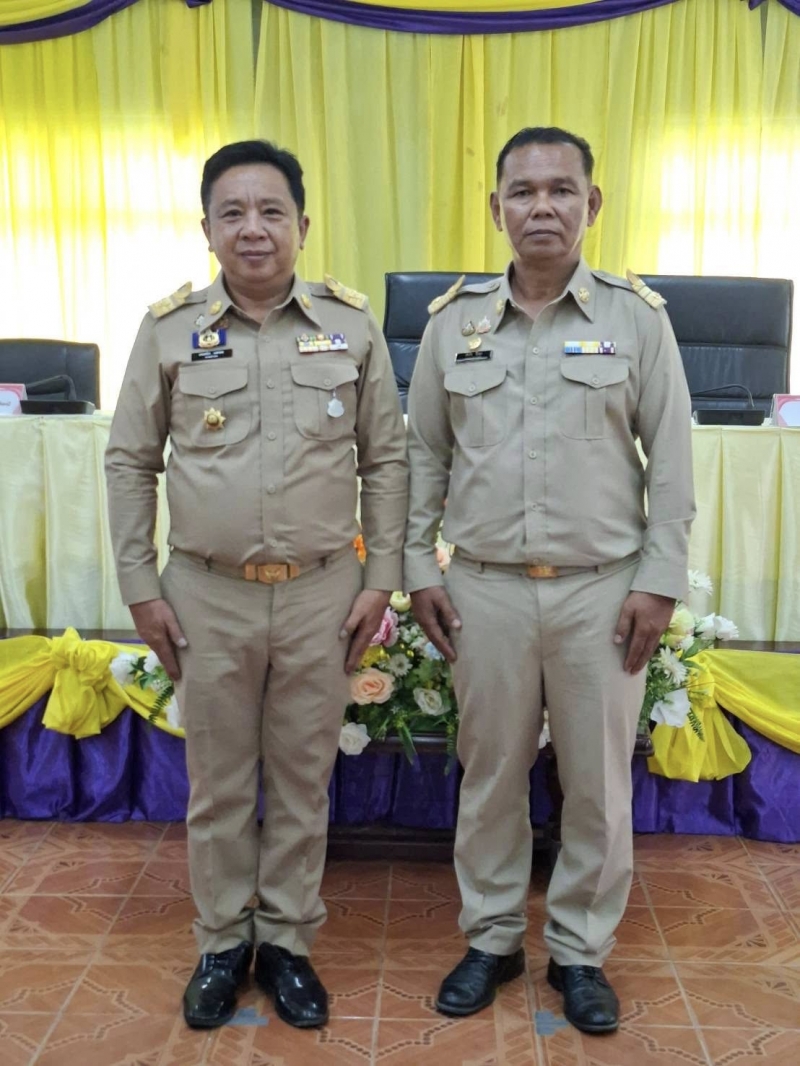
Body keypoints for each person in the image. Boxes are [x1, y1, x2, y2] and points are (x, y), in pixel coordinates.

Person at [105, 140, 408, 1030]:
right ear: (206, 228)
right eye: (231, 212)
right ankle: (220, 943)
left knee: (305, 778)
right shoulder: (169, 330)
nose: (252, 228)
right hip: (206, 593)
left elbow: (388, 460)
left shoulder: (351, 326)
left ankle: (285, 944)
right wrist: (140, 585)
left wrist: (381, 579)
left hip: (323, 592)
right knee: (220, 783)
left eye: (271, 211)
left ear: (302, 225)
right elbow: (129, 462)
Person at [404, 126, 695, 1034]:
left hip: (601, 592)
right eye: (523, 191)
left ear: (591, 205)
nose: (542, 206)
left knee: (597, 784)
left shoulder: (636, 320)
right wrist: (415, 566)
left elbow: (673, 460)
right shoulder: (453, 323)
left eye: (561, 190)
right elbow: (423, 457)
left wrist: (660, 580)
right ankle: (492, 938)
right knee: (490, 773)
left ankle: (579, 951)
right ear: (495, 207)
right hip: (484, 588)